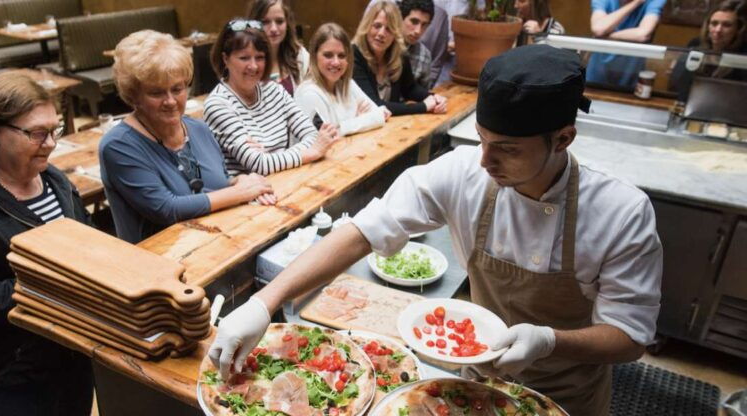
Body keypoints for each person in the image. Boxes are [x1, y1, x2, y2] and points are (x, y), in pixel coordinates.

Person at [209, 45, 663, 416]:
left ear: (562, 139)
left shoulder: (620, 212)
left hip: (568, 394)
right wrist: (263, 304)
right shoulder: (465, 171)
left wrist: (547, 341)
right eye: (482, 140)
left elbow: (629, 336)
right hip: (478, 383)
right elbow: (363, 232)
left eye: (506, 149)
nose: (486, 162)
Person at [0, 73, 93, 415]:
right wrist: (63, 277)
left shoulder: (53, 178)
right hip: (13, 370)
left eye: (54, 130)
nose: (51, 143)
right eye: (37, 133)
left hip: (71, 347)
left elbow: (87, 240)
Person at [100, 30, 275, 244]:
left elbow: (216, 183)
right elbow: (167, 208)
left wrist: (240, 179)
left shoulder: (199, 129)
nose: (171, 101)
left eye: (177, 89)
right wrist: (240, 193)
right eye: (156, 93)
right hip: (159, 262)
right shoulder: (118, 146)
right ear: (133, 95)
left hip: (219, 243)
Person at [205, 19, 339, 176]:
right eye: (244, 58)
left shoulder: (273, 89)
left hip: (285, 181)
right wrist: (309, 153)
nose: (254, 66)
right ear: (225, 59)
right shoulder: (217, 104)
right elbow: (260, 165)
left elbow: (312, 135)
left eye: (260, 57)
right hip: (250, 195)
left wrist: (271, 159)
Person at [295, 23, 391, 136]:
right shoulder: (308, 94)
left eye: (341, 56)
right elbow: (329, 139)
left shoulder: (348, 84)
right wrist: (359, 120)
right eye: (328, 55)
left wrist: (344, 126)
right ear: (314, 57)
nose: (336, 62)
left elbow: (381, 113)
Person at [353, 1, 447, 116]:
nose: (381, 33)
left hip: (391, 126)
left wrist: (433, 97)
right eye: (377, 26)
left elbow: (410, 89)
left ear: (395, 34)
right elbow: (374, 104)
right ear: (367, 26)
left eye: (389, 29)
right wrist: (423, 106)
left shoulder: (399, 54)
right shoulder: (354, 54)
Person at [670, 0, 747, 100]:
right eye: (714, 23)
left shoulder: (743, 54)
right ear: (708, 26)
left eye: (727, 25)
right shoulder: (696, 44)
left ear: (738, 29)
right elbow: (680, 84)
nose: (718, 30)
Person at [587, 0, 667, 89]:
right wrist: (636, 3)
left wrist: (607, 35)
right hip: (598, 69)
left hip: (631, 71)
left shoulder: (654, 1)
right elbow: (598, 29)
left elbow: (643, 34)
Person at [367, 0, 438, 88]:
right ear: (400, 18)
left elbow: (421, 92)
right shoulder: (379, 44)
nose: (418, 31)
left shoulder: (424, 56)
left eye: (424, 25)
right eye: (414, 22)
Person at [247, 0, 310, 95]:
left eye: (279, 21)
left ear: (287, 24)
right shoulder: (243, 62)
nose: (273, 29)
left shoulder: (300, 56)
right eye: (265, 22)